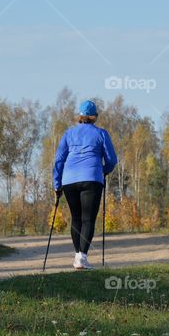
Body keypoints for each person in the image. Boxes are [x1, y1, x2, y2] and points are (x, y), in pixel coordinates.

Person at [53, 100, 117, 270]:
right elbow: (111, 160)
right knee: (88, 219)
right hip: (91, 179)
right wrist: (104, 170)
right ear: (94, 117)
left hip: (69, 180)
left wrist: (57, 184)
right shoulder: (101, 133)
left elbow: (59, 159)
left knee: (76, 218)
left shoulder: (69, 133)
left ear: (80, 116)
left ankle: (77, 256)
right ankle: (82, 258)